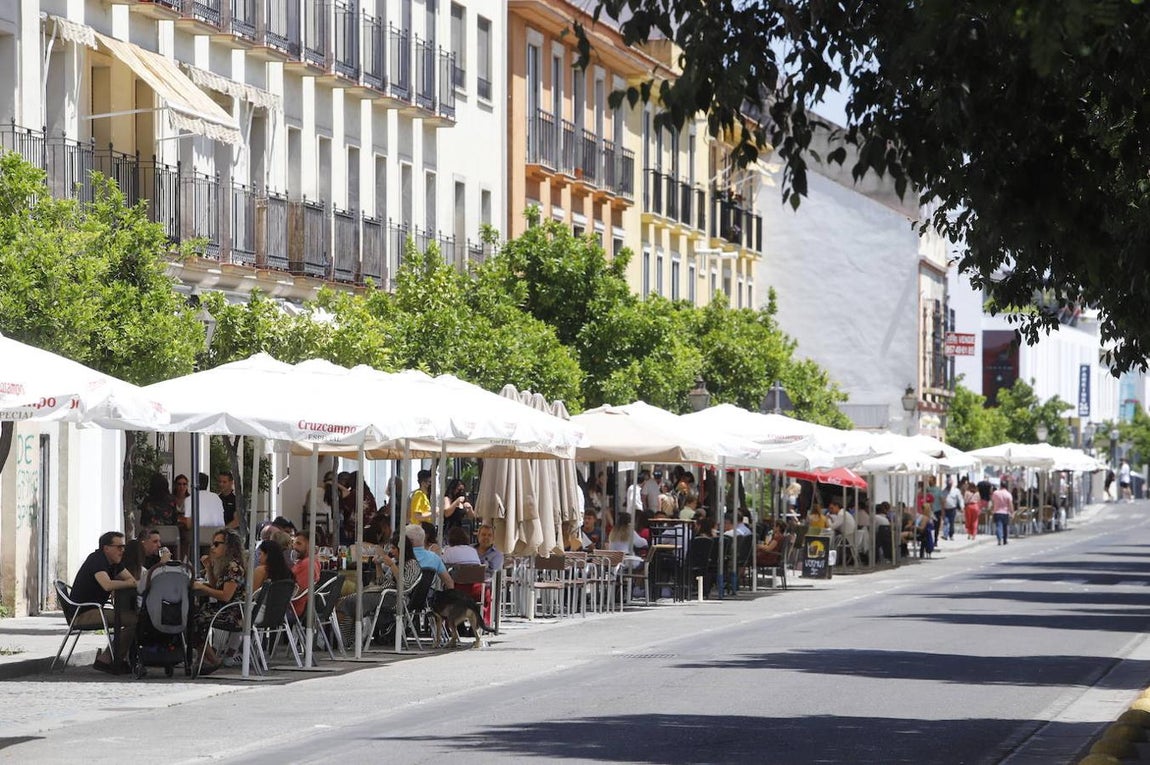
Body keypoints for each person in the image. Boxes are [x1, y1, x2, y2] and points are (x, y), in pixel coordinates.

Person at [68, 531, 139, 673]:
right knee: (135, 620)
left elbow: (131, 580)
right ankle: (108, 659)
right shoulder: (97, 559)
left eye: (123, 547)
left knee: (134, 618)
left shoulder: (115, 563)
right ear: (106, 548)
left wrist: (126, 583)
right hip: (82, 613)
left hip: (95, 609)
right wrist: (125, 584)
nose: (122, 550)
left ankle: (117, 659)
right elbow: (107, 584)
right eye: (119, 547)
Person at [190, 530, 245, 673]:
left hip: (234, 613)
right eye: (212, 544)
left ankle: (212, 660)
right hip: (226, 609)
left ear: (229, 546)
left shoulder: (233, 567)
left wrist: (202, 587)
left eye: (216, 544)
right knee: (193, 614)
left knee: (193, 620)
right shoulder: (225, 565)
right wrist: (208, 567)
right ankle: (205, 659)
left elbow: (225, 596)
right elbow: (216, 587)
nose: (212, 548)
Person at [405, 524, 454, 590]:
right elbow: (449, 582)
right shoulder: (434, 558)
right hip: (427, 596)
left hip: (401, 596)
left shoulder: (402, 557)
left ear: (409, 541)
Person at [290, 531, 322, 617]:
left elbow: (296, 592)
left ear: (309, 545)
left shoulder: (306, 564)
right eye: (294, 543)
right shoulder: (314, 561)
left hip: (292, 609)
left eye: (299, 543)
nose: (294, 547)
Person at [991, 479, 1014, 545]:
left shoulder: (995, 493)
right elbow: (1010, 504)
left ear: (1000, 485)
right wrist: (1012, 512)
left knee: (998, 526)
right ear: (1006, 486)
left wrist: (992, 509)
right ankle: (1005, 540)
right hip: (1005, 512)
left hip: (997, 512)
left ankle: (999, 538)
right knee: (1005, 526)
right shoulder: (1008, 494)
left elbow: (993, 502)